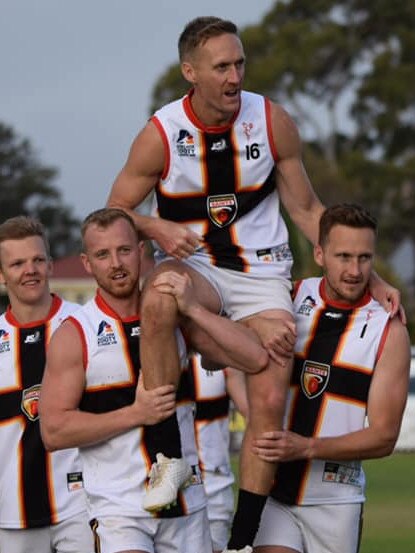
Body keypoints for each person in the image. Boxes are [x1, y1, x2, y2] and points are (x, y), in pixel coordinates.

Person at [106, 16, 401, 552]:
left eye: (239, 63)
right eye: (222, 66)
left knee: (269, 393)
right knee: (159, 297)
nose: (235, 75)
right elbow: (116, 210)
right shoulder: (162, 133)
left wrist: (373, 278)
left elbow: (310, 210)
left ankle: (244, 538)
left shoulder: (271, 121)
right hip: (198, 270)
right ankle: (167, 461)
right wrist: (156, 226)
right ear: (190, 71)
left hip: (263, 275)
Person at [39, 208, 268, 553]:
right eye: (102, 254)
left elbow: (254, 357)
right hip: (120, 511)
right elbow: (53, 431)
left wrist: (193, 309)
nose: (116, 263)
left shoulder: (175, 315)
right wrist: (135, 413)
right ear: (87, 263)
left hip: (187, 506)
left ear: (142, 252)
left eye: (124, 250)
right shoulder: (75, 335)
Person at [250, 204, 411, 553]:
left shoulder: (389, 330)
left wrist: (306, 447)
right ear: (320, 254)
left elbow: (384, 437)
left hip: (336, 501)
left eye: (364, 258)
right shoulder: (289, 299)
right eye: (343, 256)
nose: (355, 270)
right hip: (274, 492)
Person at [0, 216, 93, 553]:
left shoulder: (85, 323)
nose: (31, 270)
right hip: (11, 514)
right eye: (18, 263)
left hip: (82, 505)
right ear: (2, 274)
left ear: (51, 265)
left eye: (38, 260)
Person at [188, 353, 248, 553]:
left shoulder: (222, 357)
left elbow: (255, 415)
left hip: (214, 488)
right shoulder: (146, 354)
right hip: (167, 490)